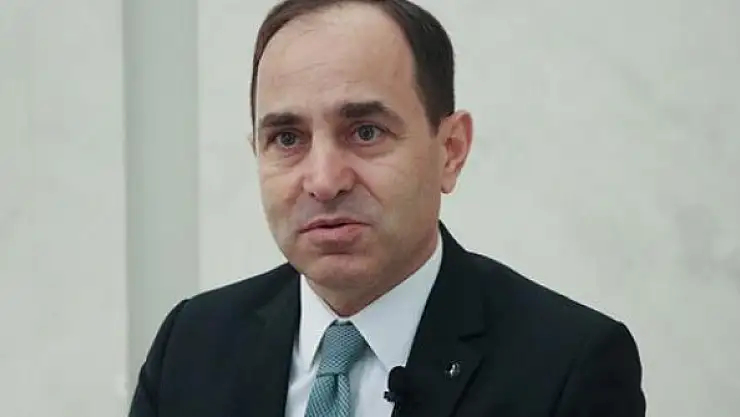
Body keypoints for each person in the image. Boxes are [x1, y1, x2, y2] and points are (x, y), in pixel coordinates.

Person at [129, 0, 646, 416]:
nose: (324, 181)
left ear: (450, 150)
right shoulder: (191, 347)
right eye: (287, 138)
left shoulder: (568, 367)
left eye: (365, 132)